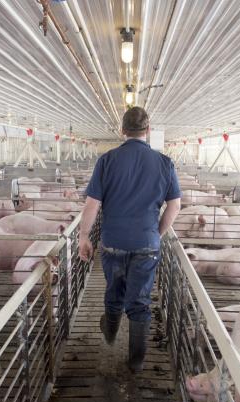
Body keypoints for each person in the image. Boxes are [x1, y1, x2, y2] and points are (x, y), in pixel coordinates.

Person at [77, 107, 182, 372]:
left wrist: (83, 236)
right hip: (146, 243)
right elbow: (174, 206)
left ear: (122, 130)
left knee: (114, 292)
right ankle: (135, 362)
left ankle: (110, 339)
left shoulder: (107, 160)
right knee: (140, 301)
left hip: (113, 242)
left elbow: (92, 204)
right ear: (148, 131)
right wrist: (156, 234)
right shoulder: (165, 163)